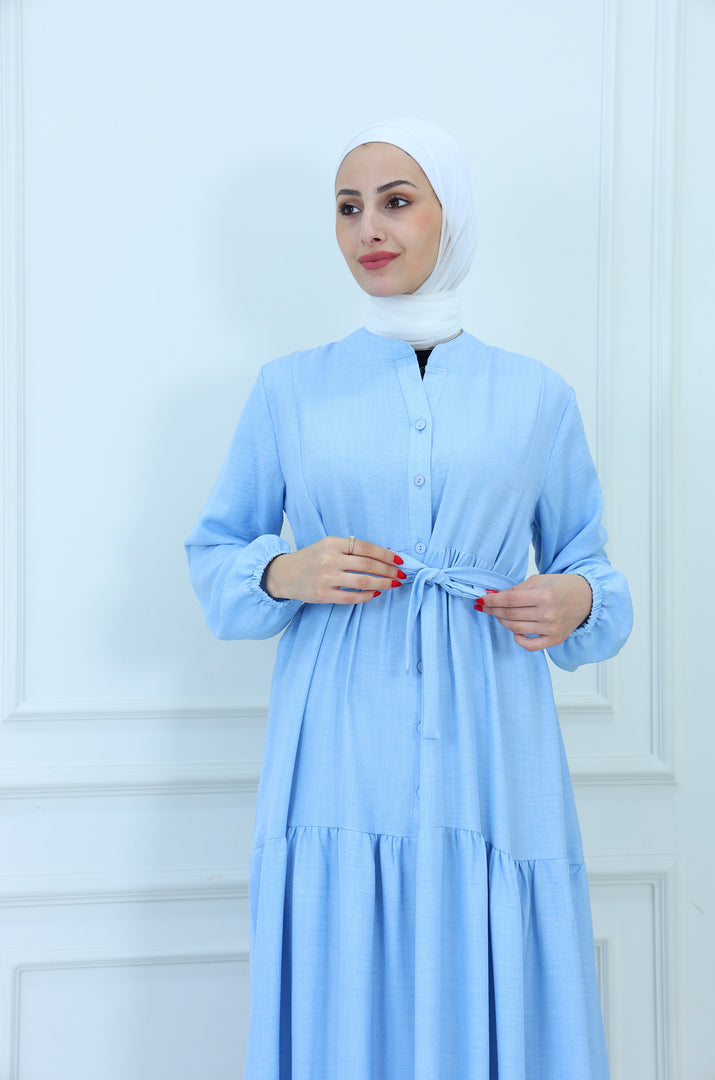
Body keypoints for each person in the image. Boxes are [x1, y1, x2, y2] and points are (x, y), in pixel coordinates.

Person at [185, 117, 632, 1080]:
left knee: (489, 939)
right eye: (348, 208)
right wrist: (285, 571)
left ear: (450, 215)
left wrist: (573, 601)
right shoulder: (288, 391)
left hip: (494, 734)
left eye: (396, 202)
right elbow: (214, 555)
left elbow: (593, 573)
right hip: (337, 737)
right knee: (346, 955)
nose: (368, 230)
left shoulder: (536, 396)